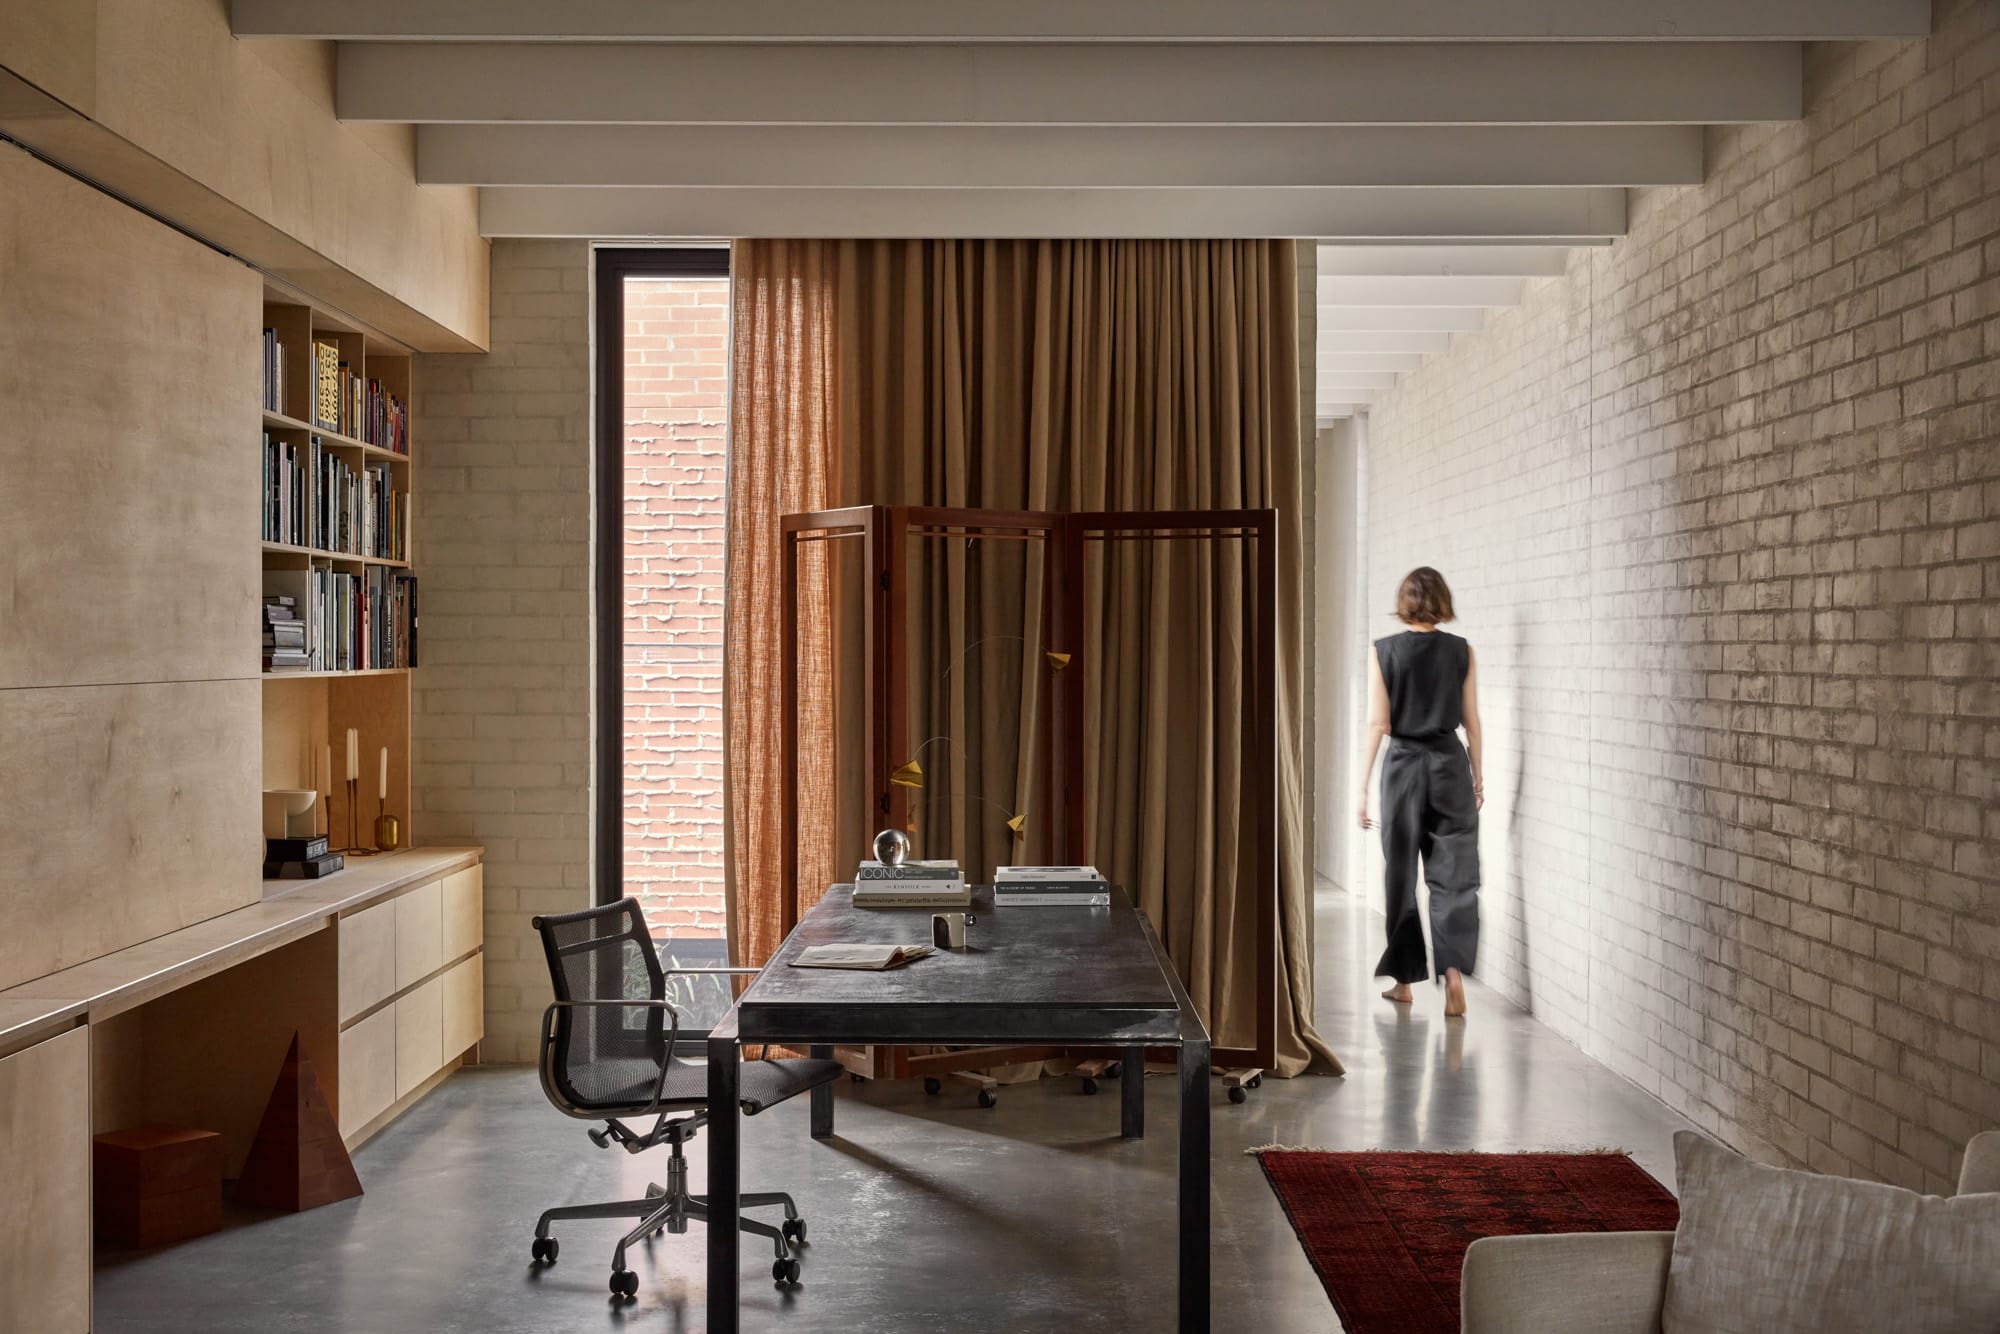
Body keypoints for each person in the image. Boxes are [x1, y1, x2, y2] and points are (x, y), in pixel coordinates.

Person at [1356, 567, 1483, 1017]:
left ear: (1405, 602)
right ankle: (1451, 975)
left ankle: (1404, 982)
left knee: (1401, 875)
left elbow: (1379, 723)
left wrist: (1363, 788)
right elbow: (1470, 720)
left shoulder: (1384, 651)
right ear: (1442, 601)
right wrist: (1478, 776)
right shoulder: (1461, 651)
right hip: (1450, 765)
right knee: (1454, 876)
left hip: (1405, 767)